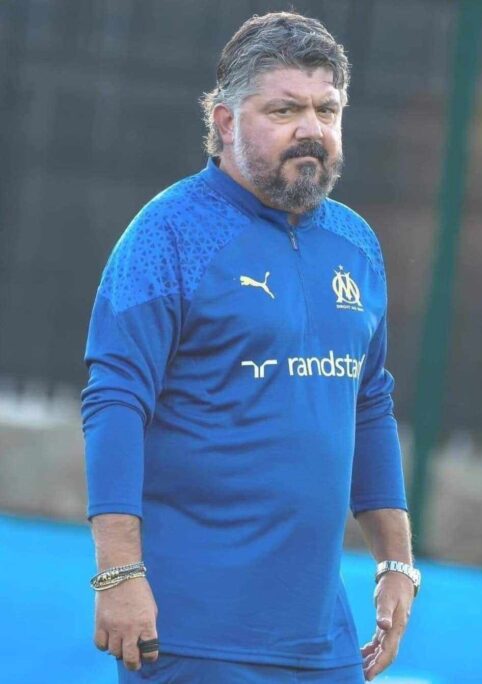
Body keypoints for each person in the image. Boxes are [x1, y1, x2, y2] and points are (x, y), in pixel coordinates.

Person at [81, 11, 420, 684]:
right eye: (285, 109)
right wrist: (117, 573)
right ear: (227, 121)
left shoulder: (355, 243)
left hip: (322, 642)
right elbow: (114, 401)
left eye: (327, 109)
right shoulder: (168, 233)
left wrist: (396, 562)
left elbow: (370, 404)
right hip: (192, 634)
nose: (311, 129)